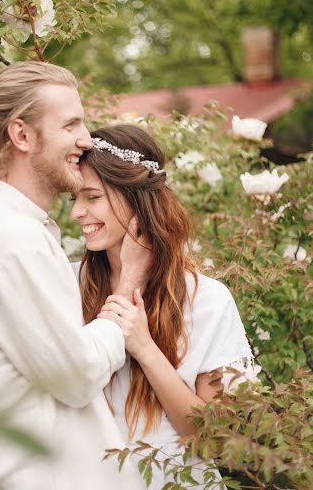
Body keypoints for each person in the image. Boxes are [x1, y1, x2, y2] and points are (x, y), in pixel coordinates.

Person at [0, 62, 145, 490]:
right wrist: (127, 287)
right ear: (22, 135)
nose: (86, 140)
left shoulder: (22, 232)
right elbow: (76, 376)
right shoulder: (11, 242)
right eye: (71, 124)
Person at [70, 124, 257, 490]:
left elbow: (214, 438)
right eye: (73, 198)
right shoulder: (66, 286)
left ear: (135, 200)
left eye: (92, 197)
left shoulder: (206, 300)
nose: (77, 212)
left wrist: (145, 348)